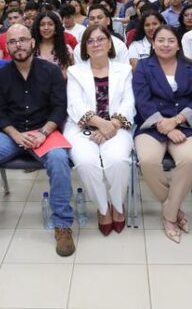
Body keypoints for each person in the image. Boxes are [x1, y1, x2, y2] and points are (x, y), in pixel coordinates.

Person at [0, 24, 75, 256]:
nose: (19, 45)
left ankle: (62, 225)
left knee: (58, 159)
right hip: (11, 133)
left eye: (23, 40)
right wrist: (16, 135)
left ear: (32, 43)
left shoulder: (51, 71)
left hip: (44, 132)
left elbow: (59, 107)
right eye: (13, 42)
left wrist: (43, 133)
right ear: (7, 46)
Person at [133, 25, 192, 243]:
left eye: (171, 40)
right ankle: (173, 209)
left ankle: (169, 214)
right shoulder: (144, 67)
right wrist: (164, 125)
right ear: (153, 44)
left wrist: (176, 122)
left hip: (184, 125)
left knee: (190, 160)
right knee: (147, 161)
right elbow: (142, 101)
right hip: (151, 125)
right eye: (160, 40)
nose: (165, 45)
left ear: (178, 44)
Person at [67, 25, 134, 235]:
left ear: (109, 43)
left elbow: (129, 102)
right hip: (82, 127)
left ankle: (117, 204)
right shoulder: (74, 71)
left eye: (100, 39)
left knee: (118, 160)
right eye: (90, 41)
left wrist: (110, 125)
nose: (96, 44)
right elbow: (75, 105)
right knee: (86, 162)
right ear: (85, 48)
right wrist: (99, 123)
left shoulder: (124, 70)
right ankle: (103, 208)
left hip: (117, 126)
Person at [32, 12, 73, 77]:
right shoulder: (31, 48)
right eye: (42, 25)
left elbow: (70, 74)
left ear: (56, 27)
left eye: (50, 24)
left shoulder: (66, 49)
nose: (46, 28)